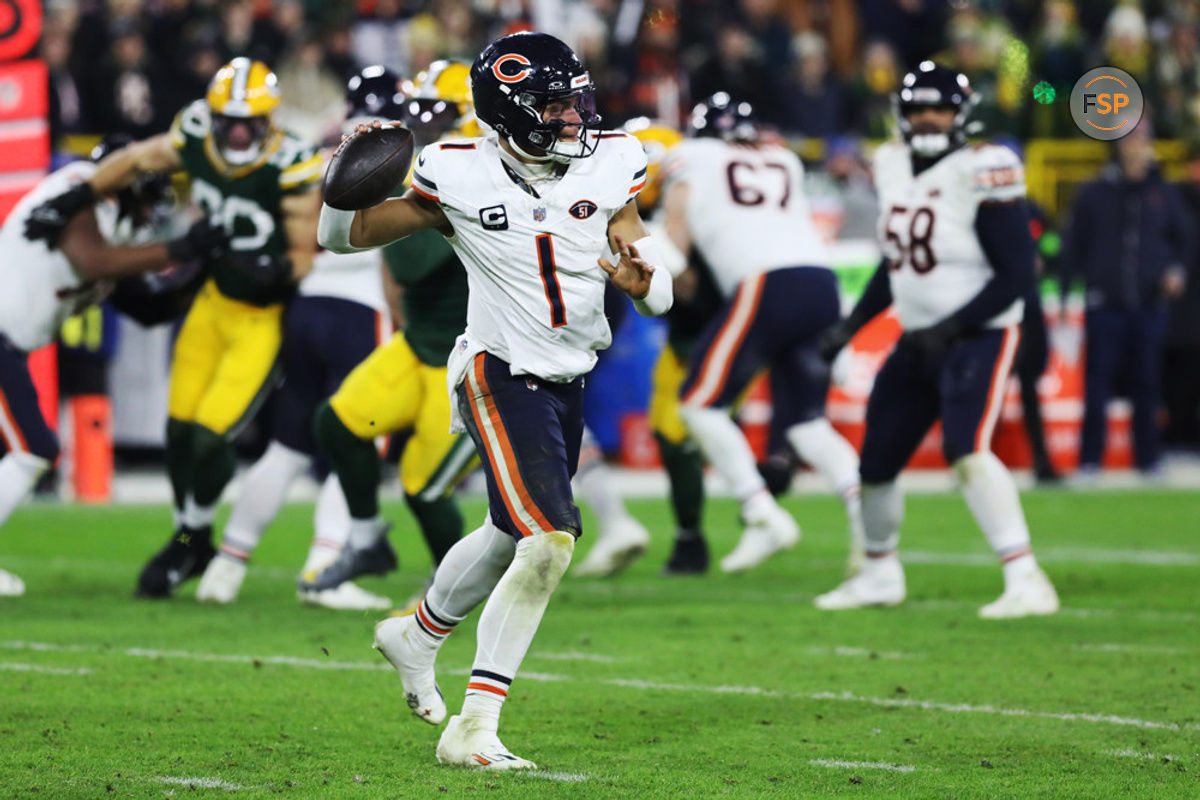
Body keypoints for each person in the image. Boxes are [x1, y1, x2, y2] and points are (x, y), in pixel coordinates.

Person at [318, 31, 672, 769]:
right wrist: (338, 182)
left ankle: (415, 635)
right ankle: (474, 726)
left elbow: (640, 246)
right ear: (509, 114)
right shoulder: (456, 172)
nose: (574, 119)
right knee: (549, 542)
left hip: (570, 375)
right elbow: (348, 236)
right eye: (554, 107)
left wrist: (651, 286)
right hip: (498, 370)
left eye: (576, 102)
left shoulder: (613, 157)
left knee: (510, 536)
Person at [26, 58, 324, 598]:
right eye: (226, 120)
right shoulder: (193, 133)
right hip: (212, 304)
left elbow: (305, 252)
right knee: (178, 432)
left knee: (211, 437)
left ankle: (193, 533)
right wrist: (80, 195)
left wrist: (277, 270)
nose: (235, 132)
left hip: (260, 316)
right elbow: (137, 158)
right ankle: (192, 535)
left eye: (247, 122)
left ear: (269, 121)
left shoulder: (292, 161)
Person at [815, 62, 1059, 618]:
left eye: (939, 107)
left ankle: (1026, 576)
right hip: (921, 336)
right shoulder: (893, 163)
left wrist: (952, 327)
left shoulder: (984, 167)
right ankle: (879, 573)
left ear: (960, 113)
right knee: (875, 460)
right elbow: (898, 262)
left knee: (966, 449)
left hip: (982, 334)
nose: (927, 116)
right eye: (917, 106)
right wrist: (851, 327)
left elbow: (1018, 273)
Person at [194, 66, 410, 610]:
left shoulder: (320, 146)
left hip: (309, 301)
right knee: (354, 444)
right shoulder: (403, 149)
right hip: (363, 308)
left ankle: (227, 564)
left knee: (287, 446)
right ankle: (325, 566)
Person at [0, 137, 228, 596]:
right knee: (34, 449)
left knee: (27, 450)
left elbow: (150, 310)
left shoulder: (115, 228)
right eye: (145, 195)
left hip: (10, 347)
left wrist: (205, 266)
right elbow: (92, 260)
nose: (149, 211)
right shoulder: (75, 189)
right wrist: (182, 249)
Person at [296, 60, 482, 601]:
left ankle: (453, 588)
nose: (423, 123)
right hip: (421, 344)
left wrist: (376, 190)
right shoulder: (435, 166)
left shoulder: (474, 173)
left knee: (424, 489)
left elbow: (412, 263)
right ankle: (366, 537)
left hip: (474, 359)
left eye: (438, 112)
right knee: (337, 424)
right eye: (417, 110)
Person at [660, 93, 864, 574]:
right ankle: (869, 529)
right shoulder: (784, 159)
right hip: (821, 280)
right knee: (806, 422)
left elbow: (674, 252)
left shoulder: (691, 157)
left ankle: (760, 510)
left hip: (766, 283)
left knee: (696, 403)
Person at [1060, 120, 1193, 479]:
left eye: (1141, 139)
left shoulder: (1163, 192)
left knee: (1147, 382)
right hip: (1105, 302)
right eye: (1130, 139)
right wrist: (1065, 292)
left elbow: (1184, 240)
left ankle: (1148, 459)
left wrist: (1176, 270)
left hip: (1149, 304)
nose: (1136, 146)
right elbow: (1074, 244)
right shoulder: (1095, 192)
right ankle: (1090, 461)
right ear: (1118, 146)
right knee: (1097, 383)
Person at [626, 118, 717, 574]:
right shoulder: (662, 215)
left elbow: (689, 288)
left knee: (683, 437)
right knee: (668, 435)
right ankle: (691, 538)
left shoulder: (693, 214)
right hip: (683, 343)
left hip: (712, 342)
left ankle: (758, 502)